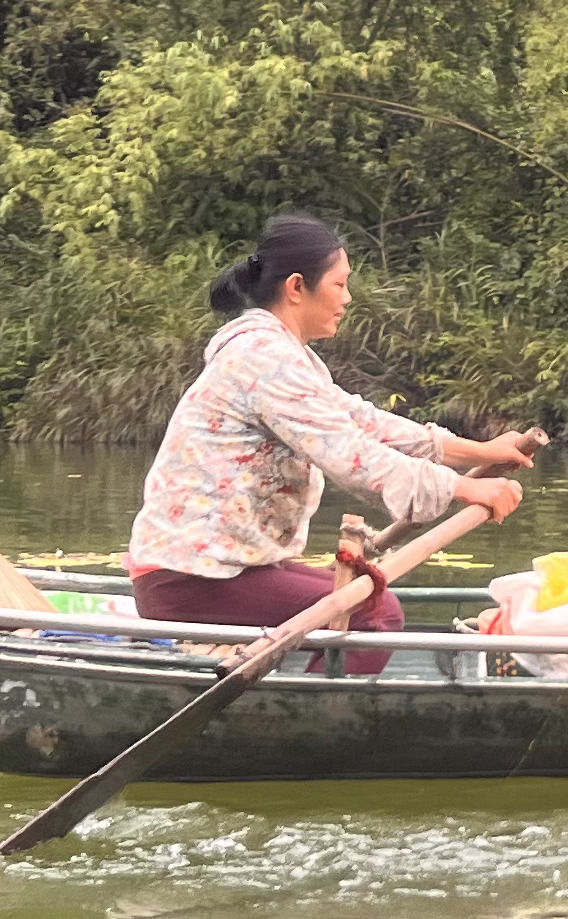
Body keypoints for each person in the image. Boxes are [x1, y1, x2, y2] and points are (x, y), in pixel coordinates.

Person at [129, 211, 535, 664]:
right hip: (192, 580)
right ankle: (318, 720)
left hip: (221, 571)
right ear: (297, 287)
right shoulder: (263, 358)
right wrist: (463, 487)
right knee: (375, 613)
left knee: (357, 599)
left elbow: (362, 422)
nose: (348, 297)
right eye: (339, 284)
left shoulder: (285, 355)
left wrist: (482, 452)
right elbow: (352, 455)